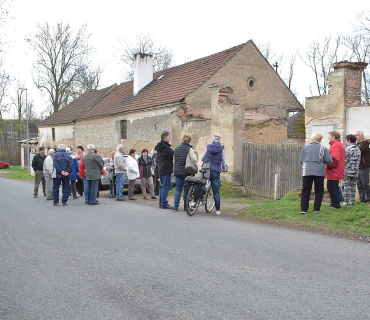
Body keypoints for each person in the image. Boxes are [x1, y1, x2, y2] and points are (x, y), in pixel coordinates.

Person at [300, 132, 333, 214]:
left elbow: (301, 160)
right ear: (320, 139)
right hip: (319, 172)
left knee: (306, 190)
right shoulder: (323, 148)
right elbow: (328, 161)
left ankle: (304, 209)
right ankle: (316, 209)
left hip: (307, 171)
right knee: (319, 191)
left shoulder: (305, 148)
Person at [201, 133, 227, 215]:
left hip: (207, 170)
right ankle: (218, 210)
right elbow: (223, 161)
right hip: (215, 172)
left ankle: (195, 202)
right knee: (216, 191)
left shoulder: (208, 147)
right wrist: (224, 168)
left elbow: (202, 158)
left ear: (213, 140)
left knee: (201, 185)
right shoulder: (221, 149)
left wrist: (207, 160)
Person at [173, 133, 197, 211]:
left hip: (177, 171)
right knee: (186, 189)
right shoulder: (189, 149)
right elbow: (194, 159)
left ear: (182, 139)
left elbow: (174, 160)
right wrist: (195, 154)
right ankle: (185, 206)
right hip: (186, 171)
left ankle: (175, 206)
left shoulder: (176, 148)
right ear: (190, 141)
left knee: (178, 189)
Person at [325, 131, 346, 209]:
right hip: (336, 170)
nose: (328, 137)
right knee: (334, 187)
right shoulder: (338, 145)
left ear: (334, 137)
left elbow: (334, 159)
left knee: (331, 187)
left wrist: (329, 167)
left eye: (329, 136)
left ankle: (336, 205)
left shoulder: (336, 145)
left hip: (334, 170)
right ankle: (334, 204)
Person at [155, 131, 174, 209]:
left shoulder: (160, 147)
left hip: (161, 169)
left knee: (162, 186)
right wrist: (170, 157)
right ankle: (163, 203)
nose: (170, 138)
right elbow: (173, 154)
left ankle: (161, 202)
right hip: (166, 169)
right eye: (169, 137)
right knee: (165, 187)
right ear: (165, 137)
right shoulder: (165, 147)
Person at [343, 134, 361, 206]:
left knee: (346, 186)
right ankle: (352, 201)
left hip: (347, 170)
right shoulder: (358, 149)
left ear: (349, 140)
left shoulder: (347, 149)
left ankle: (346, 201)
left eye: (346, 140)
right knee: (353, 186)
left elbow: (345, 159)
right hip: (355, 170)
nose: (346, 142)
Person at [354, 130, 370, 202]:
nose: (356, 137)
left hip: (364, 166)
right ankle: (362, 199)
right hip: (358, 167)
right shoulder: (357, 143)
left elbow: (358, 150)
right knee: (359, 184)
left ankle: (369, 198)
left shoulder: (365, 142)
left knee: (365, 184)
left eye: (357, 135)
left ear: (362, 135)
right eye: (355, 135)